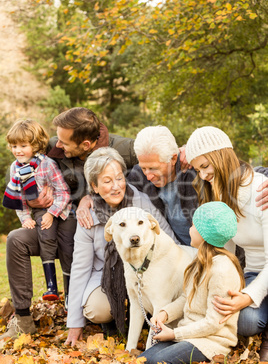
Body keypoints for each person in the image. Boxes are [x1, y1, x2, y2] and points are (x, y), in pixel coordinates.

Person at [0, 107, 136, 341]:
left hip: (89, 230)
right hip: (52, 220)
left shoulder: (122, 149)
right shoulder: (53, 147)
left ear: (85, 144)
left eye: (63, 141)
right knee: (16, 240)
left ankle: (85, 311)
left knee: (74, 233)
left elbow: (157, 153)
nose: (57, 145)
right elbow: (28, 157)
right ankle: (22, 318)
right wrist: (33, 201)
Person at [65, 147, 183, 347]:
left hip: (145, 271)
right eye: (107, 181)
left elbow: (169, 240)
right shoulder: (88, 216)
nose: (116, 187)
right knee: (96, 309)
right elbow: (80, 268)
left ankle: (148, 320)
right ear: (94, 186)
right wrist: (74, 323)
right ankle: (114, 318)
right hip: (106, 273)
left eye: (119, 178)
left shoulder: (142, 205)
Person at [185, 126, 268, 361]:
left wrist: (248, 297)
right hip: (254, 272)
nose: (202, 176)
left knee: (248, 312)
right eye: (197, 169)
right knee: (244, 322)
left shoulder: (261, 191)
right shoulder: (219, 194)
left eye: (205, 166)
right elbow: (224, 250)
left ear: (222, 157)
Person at [139, 201, 245, 364]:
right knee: (143, 361)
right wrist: (165, 314)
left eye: (194, 226)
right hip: (188, 334)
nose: (190, 229)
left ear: (205, 234)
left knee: (156, 363)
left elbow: (213, 322)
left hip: (211, 341)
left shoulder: (222, 269)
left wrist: (174, 333)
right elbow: (186, 298)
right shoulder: (199, 262)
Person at [128, 126, 268, 246]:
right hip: (177, 254)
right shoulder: (138, 176)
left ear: (173, 158)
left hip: (214, 250)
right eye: (144, 168)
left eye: (153, 168)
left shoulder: (194, 168)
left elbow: (235, 169)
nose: (148, 176)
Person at [3, 119, 72, 302]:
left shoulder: (46, 164)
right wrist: (25, 217)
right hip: (41, 211)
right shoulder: (15, 168)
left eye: (23, 145)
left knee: (67, 245)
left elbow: (64, 192)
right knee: (45, 234)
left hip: (62, 210)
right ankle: (51, 286)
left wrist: (52, 212)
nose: (18, 150)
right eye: (14, 146)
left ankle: (70, 295)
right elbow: (18, 197)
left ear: (35, 145)